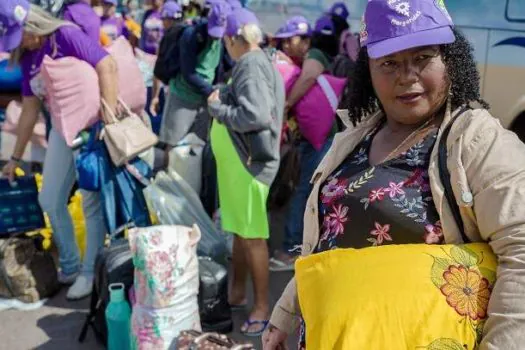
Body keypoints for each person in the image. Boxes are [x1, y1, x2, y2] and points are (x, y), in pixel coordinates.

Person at [263, 0, 525, 348]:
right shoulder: (356, 137)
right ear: (368, 71)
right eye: (389, 63)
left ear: (450, 57)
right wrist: (284, 316)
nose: (407, 76)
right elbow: (323, 244)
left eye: (422, 58)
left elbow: (520, 250)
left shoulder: (476, 140)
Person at [0, 0, 118, 300]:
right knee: (49, 198)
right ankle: (70, 265)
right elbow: (29, 110)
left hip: (90, 128)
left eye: (21, 35)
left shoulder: (64, 35)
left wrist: (108, 119)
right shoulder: (27, 57)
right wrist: (15, 158)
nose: (21, 43)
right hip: (61, 130)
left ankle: (90, 271)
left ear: (33, 23)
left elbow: (106, 64)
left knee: (91, 204)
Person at [207, 7, 285, 337]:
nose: (224, 46)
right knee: (240, 232)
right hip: (240, 166)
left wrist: (218, 109)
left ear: (234, 38)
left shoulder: (251, 64)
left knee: (253, 238)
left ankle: (262, 307)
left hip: (248, 168)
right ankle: (237, 293)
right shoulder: (256, 61)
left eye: (224, 40)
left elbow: (255, 116)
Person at [269, 15, 345, 272]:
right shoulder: (298, 61)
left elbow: (310, 76)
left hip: (321, 138)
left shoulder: (315, 55)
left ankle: (292, 250)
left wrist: (286, 105)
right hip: (311, 138)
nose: (286, 46)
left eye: (289, 40)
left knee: (305, 190)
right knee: (307, 189)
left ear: (304, 39)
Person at [160, 0, 230, 161]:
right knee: (174, 144)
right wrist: (211, 91)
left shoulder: (224, 39)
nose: (215, 37)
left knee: (198, 145)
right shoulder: (191, 35)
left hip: (204, 98)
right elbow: (188, 73)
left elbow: (225, 65)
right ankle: (165, 180)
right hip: (183, 96)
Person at [149, 0, 183, 117]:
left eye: (163, 20)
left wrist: (155, 97)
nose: (162, 23)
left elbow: (158, 72)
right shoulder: (190, 32)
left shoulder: (168, 38)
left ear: (168, 19)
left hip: (175, 92)